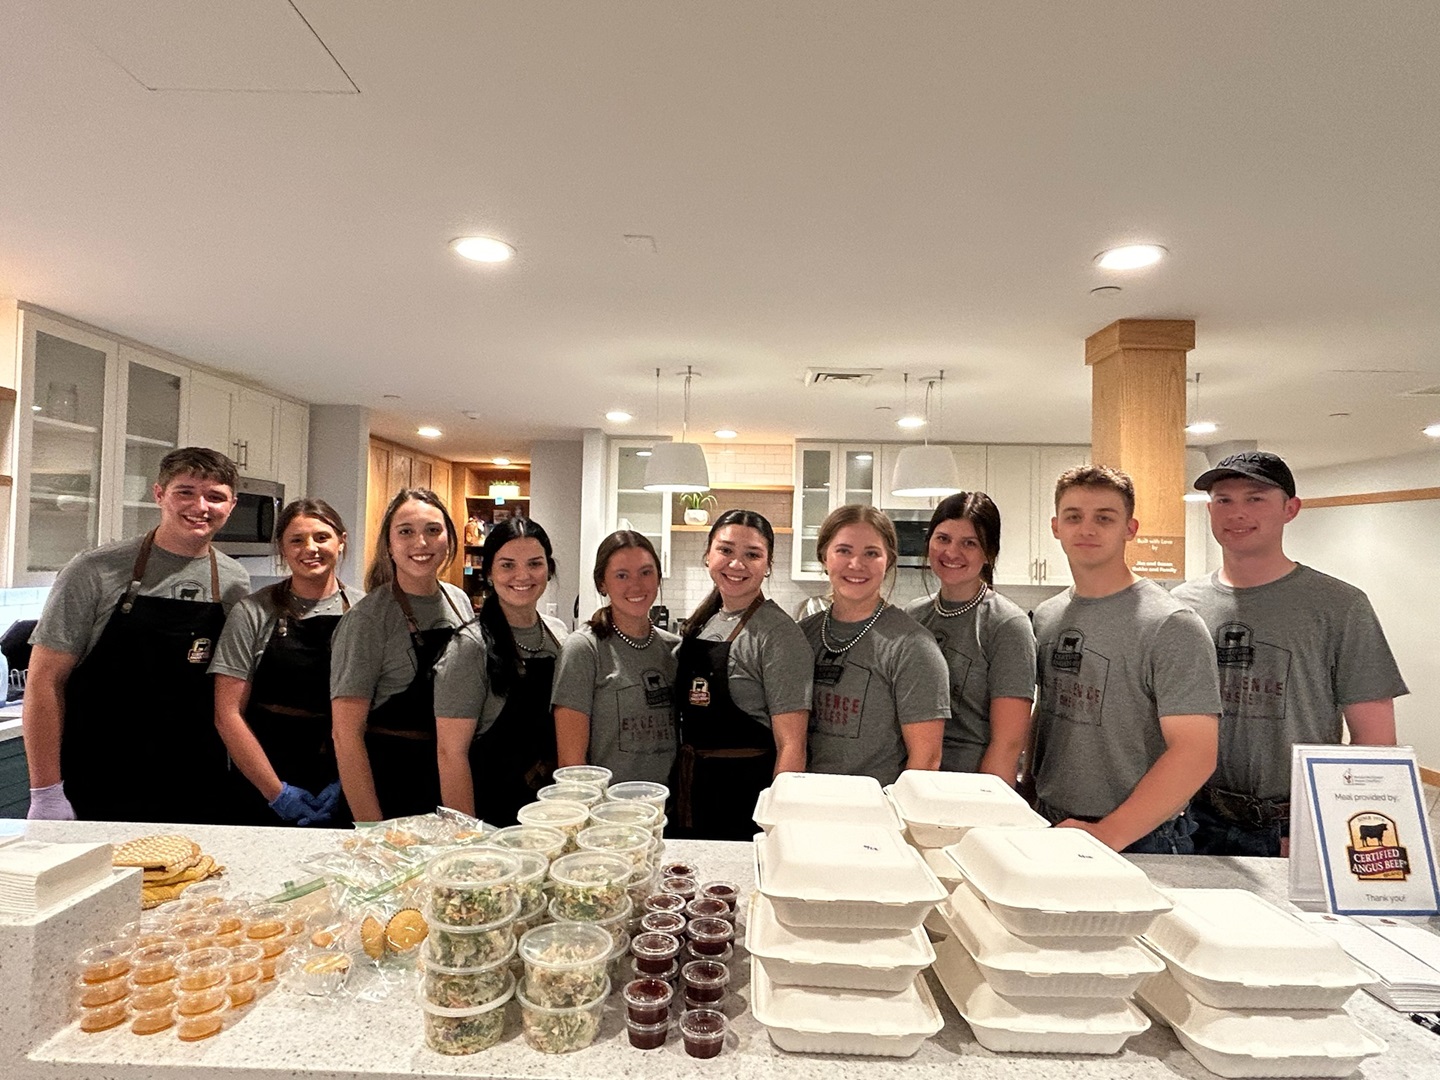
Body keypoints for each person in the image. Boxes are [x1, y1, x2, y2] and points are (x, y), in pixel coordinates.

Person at [1174, 450, 1408, 857]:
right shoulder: (1182, 605)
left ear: (1290, 509)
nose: (1236, 513)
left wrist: (1326, 828)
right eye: (1223, 500)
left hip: (1294, 825)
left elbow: (1375, 740)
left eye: (1255, 498)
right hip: (1194, 820)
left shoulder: (1339, 605)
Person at [24, 447, 251, 823]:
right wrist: (46, 791)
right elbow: (45, 680)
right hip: (99, 777)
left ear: (231, 505)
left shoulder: (233, 580)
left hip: (196, 780)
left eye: (215, 496)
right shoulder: (95, 570)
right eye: (186, 491)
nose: (201, 506)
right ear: (159, 494)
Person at [1030, 465, 1221, 854]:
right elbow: (1046, 718)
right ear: (1055, 527)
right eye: (1074, 517)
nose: (1087, 529)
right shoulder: (1048, 617)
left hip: (1138, 836)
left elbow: (1196, 752)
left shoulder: (1170, 624)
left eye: (1104, 518)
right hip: (1053, 820)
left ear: (1130, 529)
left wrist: (1109, 835)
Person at [210, 498, 360, 827]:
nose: (311, 548)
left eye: (322, 537)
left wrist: (350, 784)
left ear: (341, 541)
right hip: (263, 779)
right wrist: (276, 793)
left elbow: (376, 712)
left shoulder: (365, 612)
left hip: (346, 779)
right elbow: (227, 714)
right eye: (296, 540)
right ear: (282, 547)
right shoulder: (252, 612)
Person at [330, 488, 468, 822]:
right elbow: (345, 735)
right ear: (389, 544)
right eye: (406, 531)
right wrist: (372, 829)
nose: (421, 542)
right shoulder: (367, 620)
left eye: (433, 530)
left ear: (448, 538)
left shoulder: (458, 601)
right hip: (394, 786)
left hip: (454, 776)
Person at [674, 510, 812, 839]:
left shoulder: (778, 634)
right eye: (726, 550)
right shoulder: (705, 620)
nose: (737, 564)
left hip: (745, 795)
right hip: (694, 787)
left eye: (752, 554)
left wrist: (776, 824)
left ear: (767, 565)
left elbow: (792, 744)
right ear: (708, 556)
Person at [799, 505, 948, 785]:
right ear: (824, 556)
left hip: (876, 813)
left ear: (888, 560)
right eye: (843, 550)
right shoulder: (803, 635)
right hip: (807, 802)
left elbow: (926, 760)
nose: (856, 564)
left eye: (871, 553)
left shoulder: (913, 646)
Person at [434, 518, 569, 826]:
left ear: (548, 569)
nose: (522, 575)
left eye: (534, 564)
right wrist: (468, 838)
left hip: (548, 817)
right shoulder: (470, 647)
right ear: (490, 574)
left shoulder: (559, 637)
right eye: (508, 565)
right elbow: (450, 753)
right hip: (490, 817)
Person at [904, 492, 1037, 783]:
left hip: (968, 784)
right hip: (910, 779)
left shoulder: (1006, 625)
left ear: (989, 553)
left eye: (969, 543)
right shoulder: (913, 617)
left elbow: (1008, 743)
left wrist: (982, 806)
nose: (952, 552)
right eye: (943, 538)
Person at [552, 531, 678, 786]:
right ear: (602, 583)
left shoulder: (673, 650)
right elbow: (570, 763)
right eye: (622, 575)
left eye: (646, 572)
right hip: (607, 814)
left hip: (666, 811)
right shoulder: (584, 649)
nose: (636, 585)